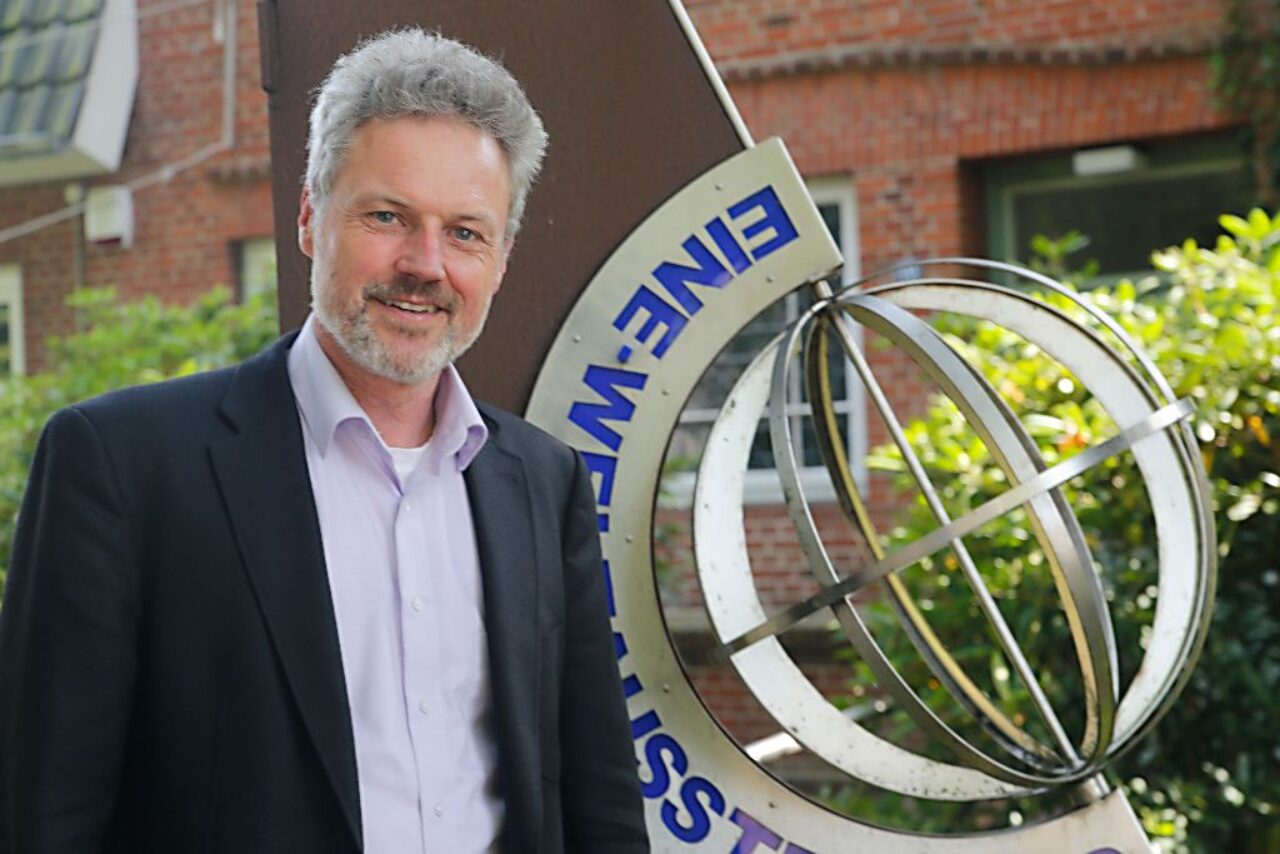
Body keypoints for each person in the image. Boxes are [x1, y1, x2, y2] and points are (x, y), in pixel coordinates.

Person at [0, 28, 648, 853]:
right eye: (387, 216)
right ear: (310, 217)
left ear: (502, 259)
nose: (426, 264)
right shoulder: (122, 468)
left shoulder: (541, 481)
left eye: (465, 232)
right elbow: (46, 815)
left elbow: (599, 797)